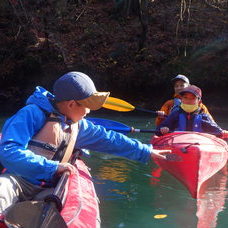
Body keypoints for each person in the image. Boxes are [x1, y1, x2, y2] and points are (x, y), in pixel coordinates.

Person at [0, 71, 170, 218]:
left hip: (50, 188)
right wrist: (52, 168)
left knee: (54, 208)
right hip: (18, 180)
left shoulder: (78, 125)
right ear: (71, 104)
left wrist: (146, 151)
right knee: (2, 188)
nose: (89, 112)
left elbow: (109, 139)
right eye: (87, 106)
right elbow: (8, 151)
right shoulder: (31, 114)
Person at [155, 85, 228, 138]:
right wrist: (163, 129)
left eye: (192, 98)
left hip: (198, 144)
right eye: (185, 97)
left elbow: (216, 130)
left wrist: (222, 132)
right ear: (181, 99)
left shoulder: (204, 117)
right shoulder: (175, 115)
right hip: (178, 144)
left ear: (199, 102)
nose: (188, 101)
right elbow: (158, 130)